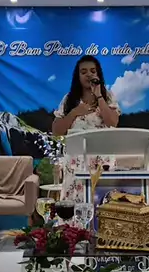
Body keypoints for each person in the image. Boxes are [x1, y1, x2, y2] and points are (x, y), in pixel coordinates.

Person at [52, 56, 121, 202]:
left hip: (102, 160)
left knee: (102, 201)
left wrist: (99, 96)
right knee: (75, 202)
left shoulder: (107, 96)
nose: (88, 74)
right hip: (75, 161)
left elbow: (113, 122)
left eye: (92, 71)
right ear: (78, 76)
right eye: (83, 72)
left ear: (98, 74)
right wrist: (75, 112)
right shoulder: (69, 99)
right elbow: (56, 130)